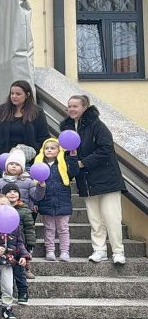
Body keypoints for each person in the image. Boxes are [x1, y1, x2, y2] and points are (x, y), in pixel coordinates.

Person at [60, 94, 126, 264]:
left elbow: (106, 149)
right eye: (69, 106)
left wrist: (83, 163)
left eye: (75, 106)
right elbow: (67, 153)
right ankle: (99, 250)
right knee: (95, 219)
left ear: (85, 107)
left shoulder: (97, 125)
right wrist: (72, 165)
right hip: (86, 180)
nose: (71, 109)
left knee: (111, 217)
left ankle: (118, 252)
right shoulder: (67, 129)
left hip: (107, 179)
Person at [0, 80, 51, 163]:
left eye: (18, 94)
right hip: (3, 157)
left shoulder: (37, 112)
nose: (14, 96)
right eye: (12, 93)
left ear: (27, 95)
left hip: (28, 159)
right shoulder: (1, 110)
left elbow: (44, 137)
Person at [31, 137, 74, 261]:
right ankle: (50, 251)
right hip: (46, 201)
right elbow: (35, 186)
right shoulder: (39, 165)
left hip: (63, 201)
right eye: (47, 148)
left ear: (59, 150)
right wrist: (35, 202)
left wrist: (73, 157)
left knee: (63, 228)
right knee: (48, 228)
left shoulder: (63, 164)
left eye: (52, 148)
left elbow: (74, 172)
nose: (49, 150)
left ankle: (65, 251)